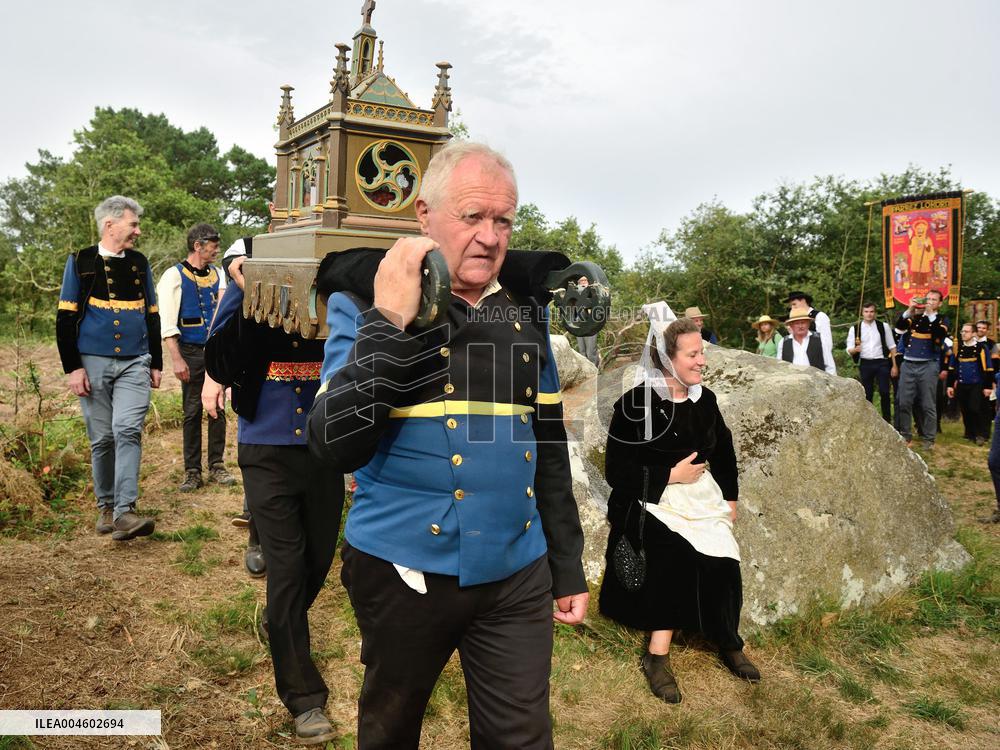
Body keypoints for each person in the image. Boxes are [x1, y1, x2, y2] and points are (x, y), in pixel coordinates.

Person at [307, 141, 588, 749]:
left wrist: (566, 565)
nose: (489, 236)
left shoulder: (523, 312)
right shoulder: (359, 303)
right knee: (390, 730)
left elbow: (547, 447)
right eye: (471, 217)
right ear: (423, 216)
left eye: (503, 220)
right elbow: (335, 444)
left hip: (517, 571)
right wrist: (390, 321)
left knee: (521, 737)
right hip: (403, 570)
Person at [205, 237, 343, 745]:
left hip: (322, 443)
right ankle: (304, 698)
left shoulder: (337, 291)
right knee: (286, 566)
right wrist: (246, 295)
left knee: (318, 560)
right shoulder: (246, 291)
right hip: (265, 442)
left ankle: (278, 621)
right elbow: (220, 364)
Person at [599, 306, 759, 705]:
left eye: (701, 352)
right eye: (692, 354)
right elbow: (617, 471)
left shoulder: (706, 401)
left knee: (725, 555)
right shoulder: (635, 405)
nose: (702, 360)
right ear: (666, 359)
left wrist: (731, 497)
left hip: (699, 498)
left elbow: (723, 453)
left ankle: (727, 640)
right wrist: (670, 476)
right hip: (648, 499)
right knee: (672, 554)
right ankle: (657, 656)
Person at [56, 195, 161, 541]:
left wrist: (156, 362)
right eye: (133, 225)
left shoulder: (140, 262)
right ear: (110, 224)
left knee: (127, 429)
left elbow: (152, 315)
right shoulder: (80, 261)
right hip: (92, 362)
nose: (138, 231)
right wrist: (73, 368)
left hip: (135, 361)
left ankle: (125, 511)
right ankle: (106, 506)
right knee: (102, 438)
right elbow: (65, 318)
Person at [156, 223, 235, 492]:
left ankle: (217, 465)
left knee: (218, 408)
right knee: (192, 412)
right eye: (212, 244)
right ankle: (192, 470)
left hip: (214, 351)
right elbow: (167, 322)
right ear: (197, 246)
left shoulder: (218, 275)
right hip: (189, 352)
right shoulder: (173, 276)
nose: (216, 249)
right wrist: (176, 359)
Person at [895, 295, 949, 450]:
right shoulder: (916, 318)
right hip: (908, 364)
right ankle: (905, 435)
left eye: (933, 300)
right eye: (928, 299)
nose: (930, 302)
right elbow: (899, 328)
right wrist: (910, 309)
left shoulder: (942, 319)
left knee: (927, 403)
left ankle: (929, 438)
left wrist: (931, 314)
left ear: (939, 303)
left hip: (928, 365)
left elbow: (939, 335)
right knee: (904, 402)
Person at [846, 302, 897, 422]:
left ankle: (887, 421)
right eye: (866, 312)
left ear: (875, 313)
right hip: (865, 363)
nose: (869, 314)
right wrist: (855, 350)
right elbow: (849, 350)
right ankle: (868, 421)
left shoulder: (883, 326)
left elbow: (892, 346)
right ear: (862, 313)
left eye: (871, 312)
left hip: (882, 362)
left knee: (884, 392)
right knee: (867, 394)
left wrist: (895, 365)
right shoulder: (855, 329)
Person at [946, 323, 994, 445]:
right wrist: (950, 385)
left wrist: (988, 386)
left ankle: (980, 434)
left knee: (975, 408)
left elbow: (988, 367)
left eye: (966, 331)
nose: (963, 334)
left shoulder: (981, 348)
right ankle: (969, 433)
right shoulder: (958, 348)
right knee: (965, 409)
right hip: (962, 384)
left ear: (973, 333)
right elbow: (952, 367)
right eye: (962, 331)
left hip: (976, 384)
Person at [784, 291, 836, 374]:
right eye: (791, 306)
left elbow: (827, 343)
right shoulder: (792, 319)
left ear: (803, 301)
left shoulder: (819, 316)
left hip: (817, 362)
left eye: (794, 304)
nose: (792, 308)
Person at [574, 276, 600, 366]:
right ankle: (586, 372)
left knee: (591, 351)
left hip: (591, 324)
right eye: (581, 281)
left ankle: (595, 371)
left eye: (585, 280)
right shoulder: (575, 292)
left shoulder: (593, 290)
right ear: (578, 282)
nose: (583, 282)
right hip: (579, 324)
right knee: (582, 351)